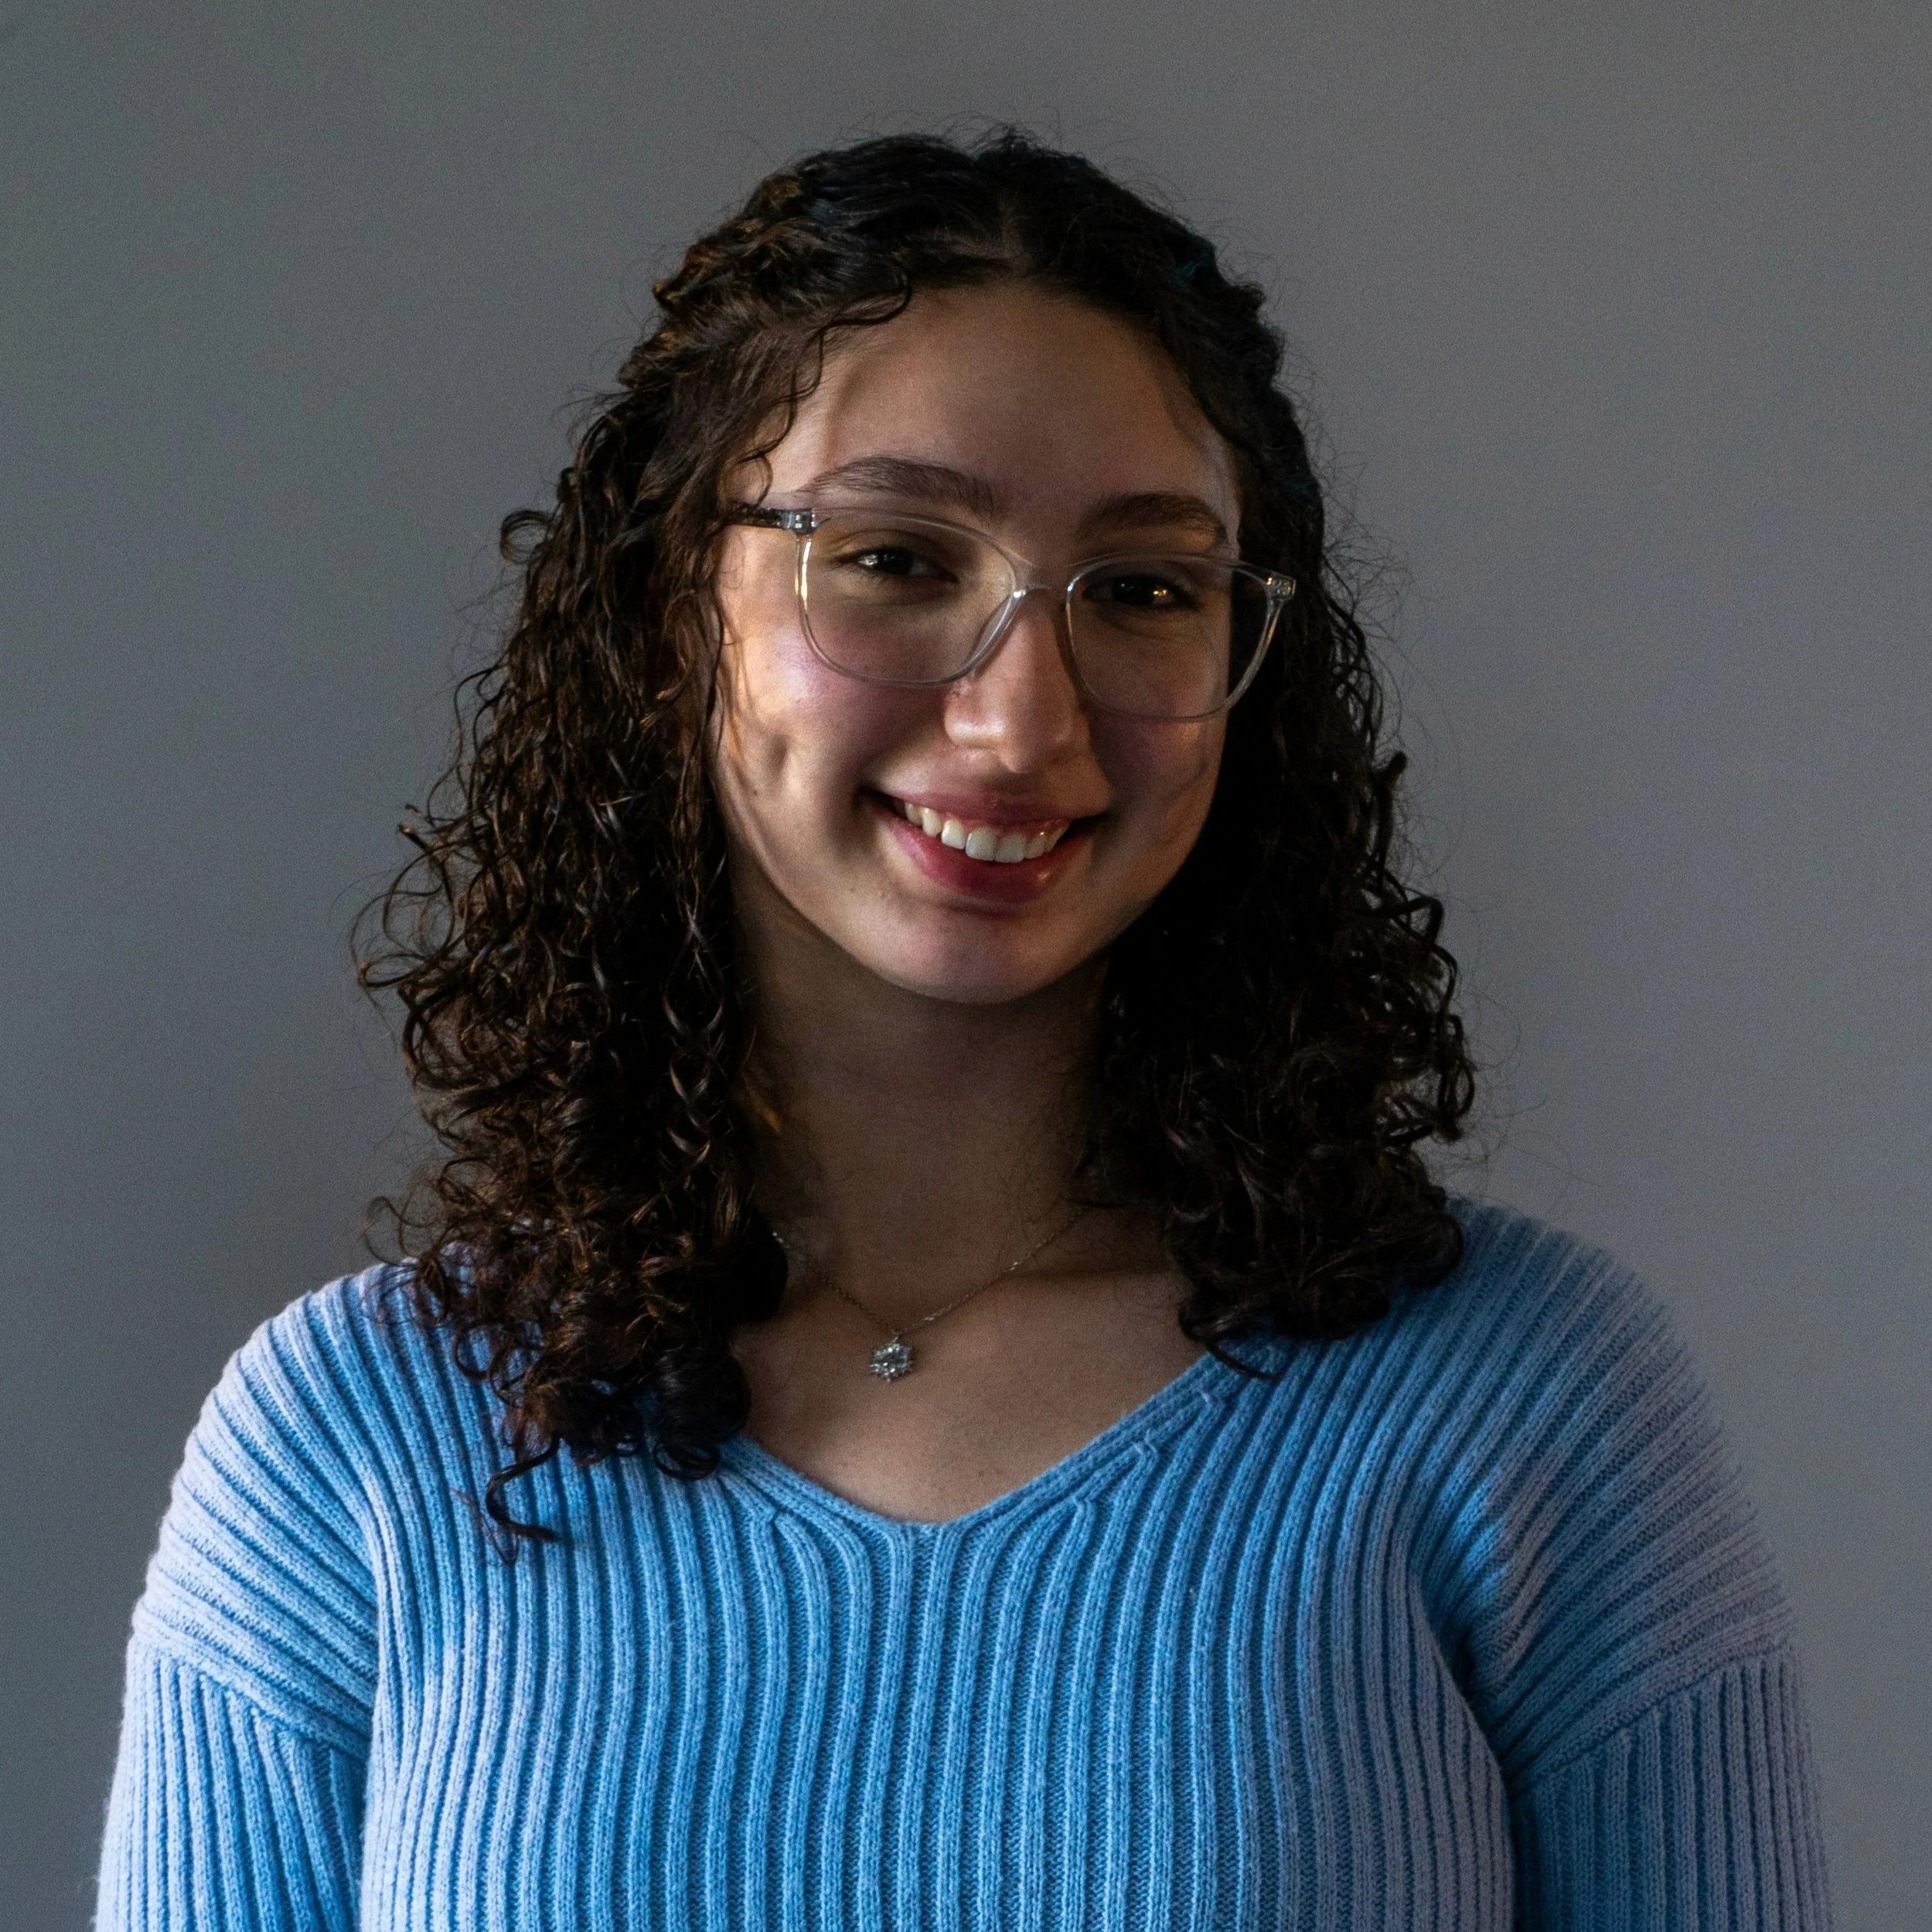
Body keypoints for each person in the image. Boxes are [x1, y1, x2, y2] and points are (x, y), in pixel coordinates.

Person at [97, 129, 1833, 1929]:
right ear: (668, 610)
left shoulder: (1528, 1403)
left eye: (1145, 589)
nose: (1020, 719)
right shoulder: (349, 1447)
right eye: (895, 556)